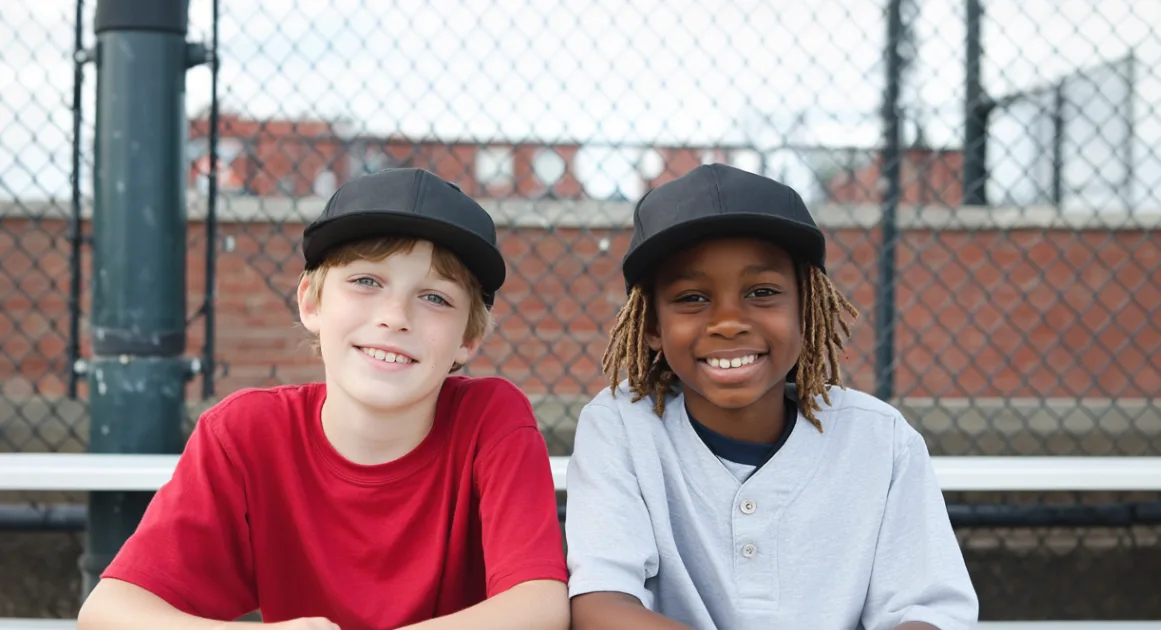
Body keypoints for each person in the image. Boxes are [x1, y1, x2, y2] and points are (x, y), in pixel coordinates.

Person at [78, 168, 570, 630]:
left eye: (434, 297)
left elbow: (539, 606)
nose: (395, 316)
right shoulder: (247, 432)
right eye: (366, 282)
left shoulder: (491, 420)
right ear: (311, 301)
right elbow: (108, 612)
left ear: (467, 338)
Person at [564, 163, 978, 630]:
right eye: (692, 298)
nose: (728, 321)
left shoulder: (879, 439)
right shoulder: (621, 425)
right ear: (654, 326)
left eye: (762, 292)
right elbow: (601, 608)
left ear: (807, 308)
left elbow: (926, 613)